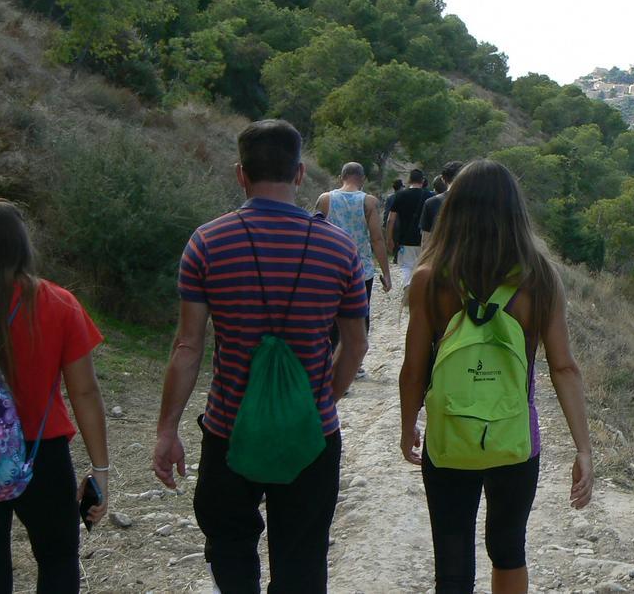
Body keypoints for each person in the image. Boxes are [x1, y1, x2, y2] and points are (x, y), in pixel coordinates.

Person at [153, 120, 369, 593]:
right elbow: (356, 345)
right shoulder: (339, 249)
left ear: (240, 174)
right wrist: (320, 400)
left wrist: (167, 430)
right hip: (312, 437)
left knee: (231, 554)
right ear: (299, 174)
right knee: (302, 563)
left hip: (228, 434)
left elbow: (187, 347)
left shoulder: (207, 242)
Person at [399, 160, 594, 593]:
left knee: (452, 562)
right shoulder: (540, 278)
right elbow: (564, 367)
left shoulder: (429, 280)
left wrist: (407, 423)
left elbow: (414, 368)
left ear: (454, 209)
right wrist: (583, 448)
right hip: (515, 440)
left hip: (448, 437)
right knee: (508, 549)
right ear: (515, 212)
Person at [0, 200, 109, 593]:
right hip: (40, 456)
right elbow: (84, 391)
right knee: (59, 560)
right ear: (21, 246)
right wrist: (100, 470)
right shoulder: (58, 302)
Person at [316, 162, 393, 379]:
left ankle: (330, 361)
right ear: (363, 178)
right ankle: (354, 365)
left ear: (341, 176)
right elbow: (376, 238)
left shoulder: (325, 199)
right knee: (359, 315)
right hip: (361, 269)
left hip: (329, 267)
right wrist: (386, 273)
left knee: (331, 316)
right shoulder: (368, 202)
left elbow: (316, 231)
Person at [388, 169, 433, 294]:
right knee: (422, 265)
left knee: (407, 266)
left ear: (409, 180)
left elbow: (391, 219)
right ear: (422, 180)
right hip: (425, 238)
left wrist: (389, 238)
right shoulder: (430, 196)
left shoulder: (400, 195)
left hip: (405, 238)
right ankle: (420, 289)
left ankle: (408, 286)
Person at [419, 161, 464, 244]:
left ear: (443, 179)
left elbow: (426, 240)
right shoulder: (475, 202)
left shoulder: (431, 203)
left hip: (439, 254)